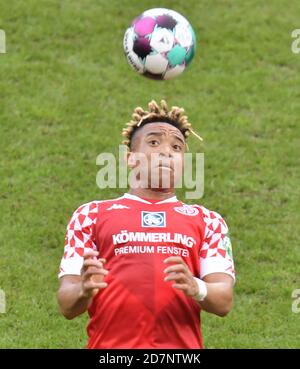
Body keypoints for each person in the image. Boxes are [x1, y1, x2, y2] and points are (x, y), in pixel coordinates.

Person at [57, 100, 235, 349]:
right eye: (154, 142)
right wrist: (83, 290)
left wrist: (196, 287)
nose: (166, 152)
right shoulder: (90, 215)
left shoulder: (208, 221)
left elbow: (224, 300)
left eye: (176, 147)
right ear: (130, 159)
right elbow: (67, 305)